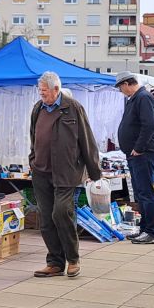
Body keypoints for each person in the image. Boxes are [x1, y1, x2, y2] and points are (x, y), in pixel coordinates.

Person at [29, 71, 102, 279]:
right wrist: (32, 160)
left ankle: (73, 259)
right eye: (40, 91)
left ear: (56, 89)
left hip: (66, 172)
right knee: (45, 219)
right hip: (41, 171)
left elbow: (87, 140)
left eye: (44, 92)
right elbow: (33, 136)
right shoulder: (38, 108)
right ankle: (54, 262)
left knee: (61, 212)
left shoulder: (73, 108)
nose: (41, 95)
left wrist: (94, 171)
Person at [115, 73, 154, 244]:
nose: (120, 91)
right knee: (141, 193)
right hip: (137, 153)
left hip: (143, 153)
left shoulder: (143, 97)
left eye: (121, 87)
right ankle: (145, 228)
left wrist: (139, 148)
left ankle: (153, 232)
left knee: (145, 192)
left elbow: (149, 124)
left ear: (127, 83)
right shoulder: (136, 98)